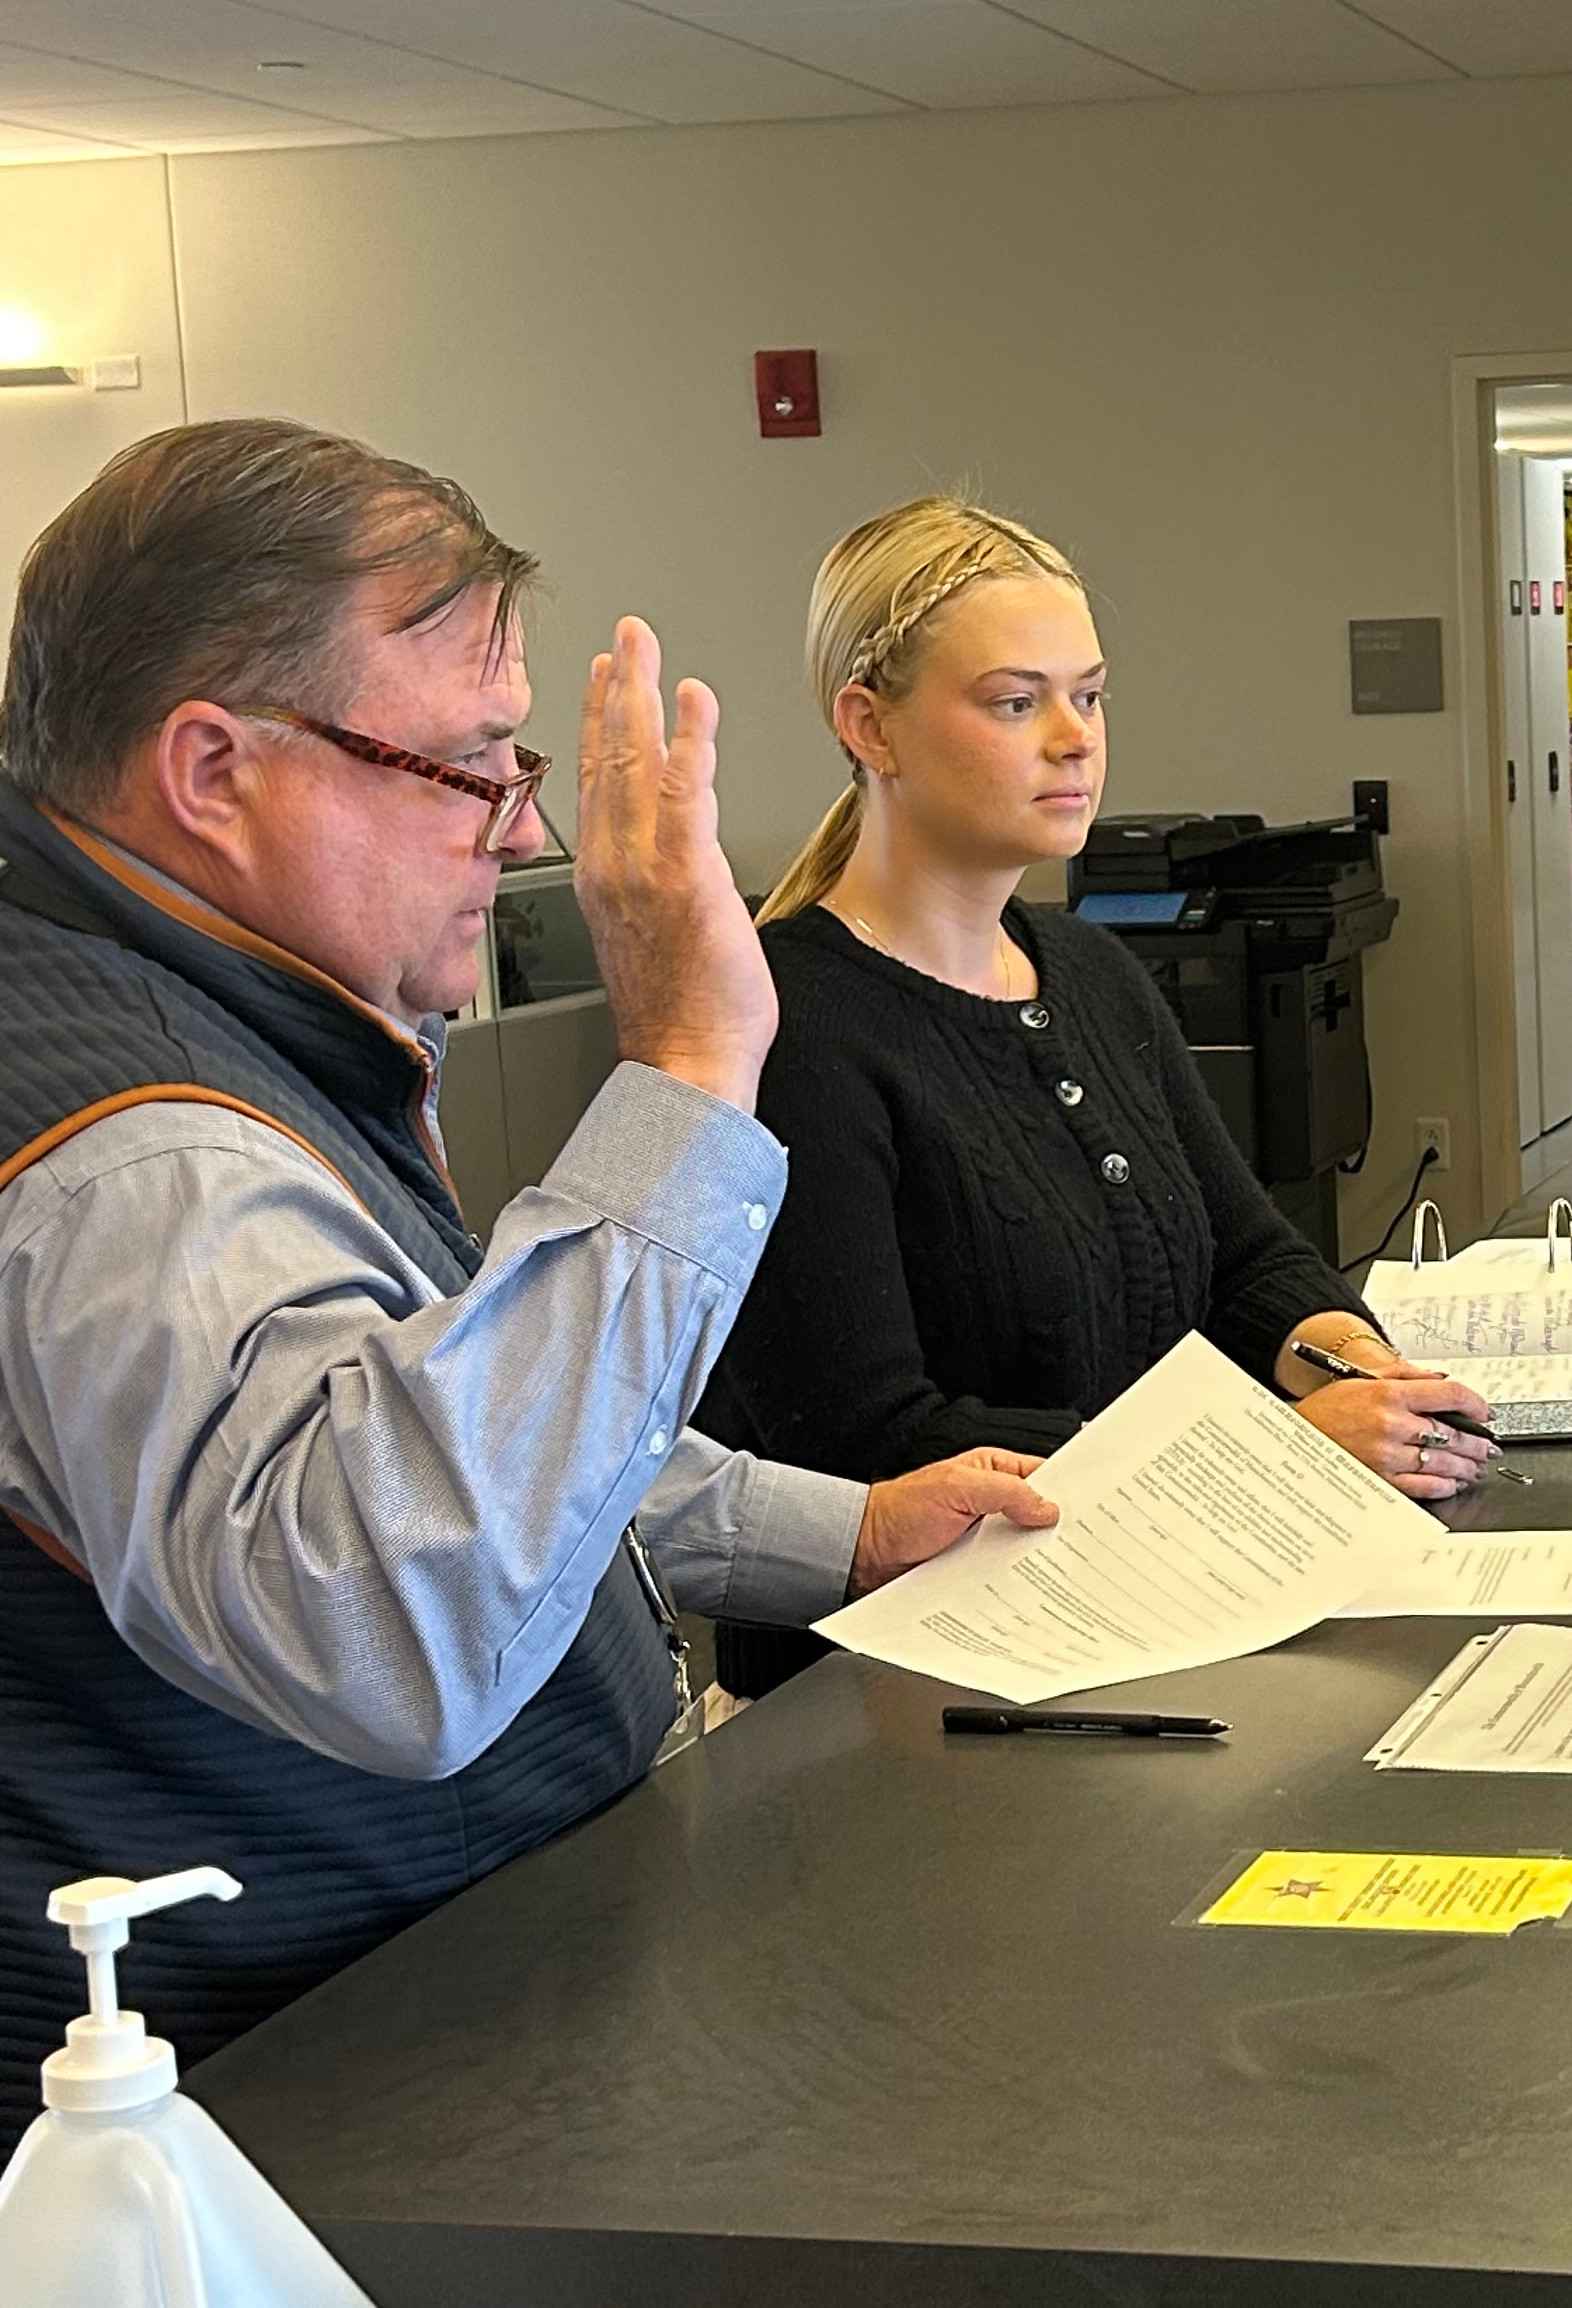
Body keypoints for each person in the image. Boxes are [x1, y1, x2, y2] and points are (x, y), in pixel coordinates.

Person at [0, 420, 1060, 2140]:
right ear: (213, 768)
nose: (516, 835)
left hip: (452, 2006)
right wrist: (693, 1068)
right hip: (306, 2108)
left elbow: (443, 1410)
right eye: (472, 767)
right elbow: (394, 1619)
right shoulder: (140, 1149)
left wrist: (839, 1531)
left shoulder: (219, 1013)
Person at [695, 497, 1489, 1698]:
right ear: (871, 726)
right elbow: (870, 1442)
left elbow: (1245, 1259)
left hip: (1148, 1631)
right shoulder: (788, 1028)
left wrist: (1356, 1367)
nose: (1075, 738)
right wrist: (1277, 1459)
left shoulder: (1092, 973)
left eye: (1092, 695)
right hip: (908, 1699)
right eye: (1017, 702)